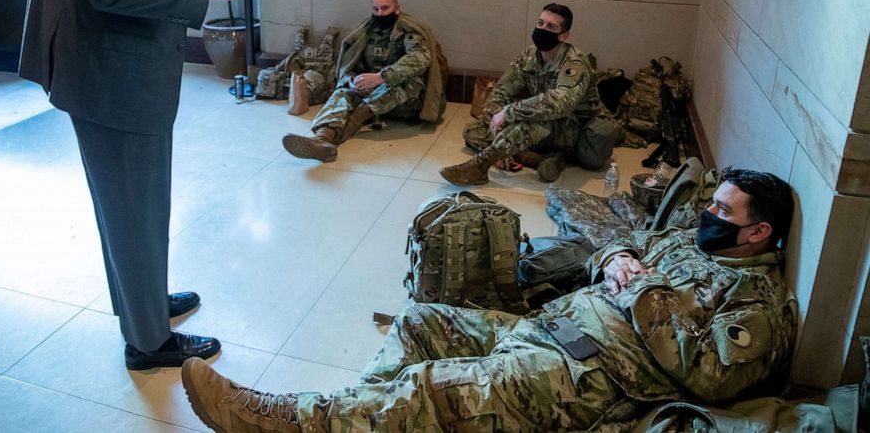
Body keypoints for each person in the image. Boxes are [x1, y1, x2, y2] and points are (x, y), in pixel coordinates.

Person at [181, 168, 798, 432]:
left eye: (722, 210)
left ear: (758, 233)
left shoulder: (757, 301)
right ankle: (356, 414)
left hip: (586, 377)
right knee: (423, 322)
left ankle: (288, 419)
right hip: (551, 329)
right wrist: (616, 260)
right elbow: (623, 245)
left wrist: (643, 289)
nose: (707, 214)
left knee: (430, 387)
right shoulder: (690, 243)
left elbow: (716, 377)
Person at [18, 0, 243, 370]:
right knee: (134, 205)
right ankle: (148, 342)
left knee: (128, 206)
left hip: (104, 70)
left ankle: (143, 304)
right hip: (112, 76)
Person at [440, 2, 615, 186]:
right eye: (540, 23)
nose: (542, 29)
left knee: (536, 119)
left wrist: (509, 112)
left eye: (551, 26)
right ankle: (539, 159)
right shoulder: (530, 55)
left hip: (574, 129)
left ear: (563, 35)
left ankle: (481, 165)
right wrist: (495, 132)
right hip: (546, 127)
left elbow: (561, 103)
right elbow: (502, 90)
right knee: (473, 131)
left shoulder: (575, 62)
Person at [281, 0, 445, 162]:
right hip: (372, 95)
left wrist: (381, 77)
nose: (379, 13)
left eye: (385, 8)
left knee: (408, 81)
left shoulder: (408, 31)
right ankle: (323, 138)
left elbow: (420, 58)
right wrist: (352, 80)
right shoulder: (367, 31)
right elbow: (351, 63)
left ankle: (355, 120)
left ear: (397, 9)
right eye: (375, 9)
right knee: (343, 92)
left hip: (407, 101)